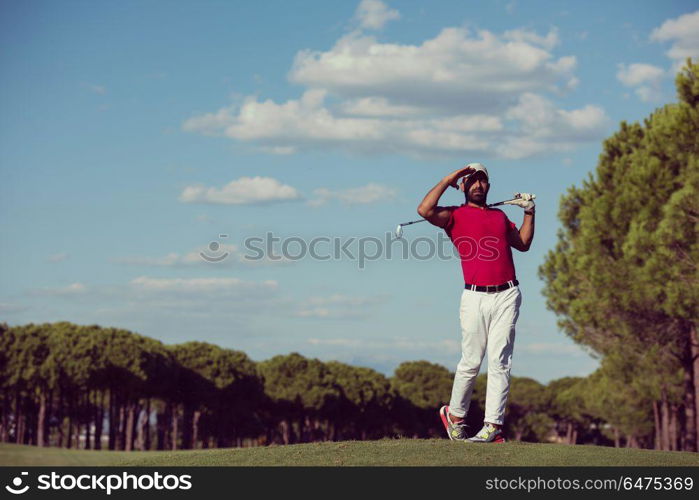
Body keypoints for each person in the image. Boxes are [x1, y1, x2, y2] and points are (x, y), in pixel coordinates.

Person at [417, 163, 535, 443]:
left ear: (488, 186)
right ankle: (455, 416)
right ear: (463, 186)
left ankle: (493, 426)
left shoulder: (500, 215)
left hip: (507, 294)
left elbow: (523, 243)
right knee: (470, 361)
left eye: (482, 181)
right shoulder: (453, 216)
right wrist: (450, 177)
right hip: (474, 296)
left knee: (500, 361)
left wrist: (529, 212)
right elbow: (424, 210)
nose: (478, 185)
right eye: (472, 181)